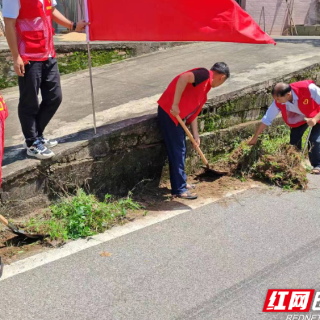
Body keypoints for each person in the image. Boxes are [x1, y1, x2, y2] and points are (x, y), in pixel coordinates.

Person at [3, 0, 89, 159]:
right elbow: (9, 24)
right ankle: (32, 142)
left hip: (48, 52)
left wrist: (73, 25)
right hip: (28, 55)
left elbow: (52, 10)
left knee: (54, 97)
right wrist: (16, 58)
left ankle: (36, 135)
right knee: (29, 101)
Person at [157, 63, 230, 200]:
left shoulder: (204, 91)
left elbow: (193, 114)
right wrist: (175, 104)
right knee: (178, 151)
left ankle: (182, 182)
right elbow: (183, 78)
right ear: (222, 77)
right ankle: (179, 189)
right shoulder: (204, 74)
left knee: (181, 150)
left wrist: (196, 135)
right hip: (169, 112)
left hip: (177, 116)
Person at [249, 80, 320, 174]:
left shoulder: (309, 89)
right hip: (300, 117)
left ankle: (317, 165)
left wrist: (315, 119)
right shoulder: (278, 101)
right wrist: (255, 137)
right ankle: (295, 164)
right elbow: (267, 119)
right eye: (275, 99)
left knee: (314, 140)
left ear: (288, 94)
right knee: (294, 140)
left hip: (316, 114)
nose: (276, 101)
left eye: (278, 99)